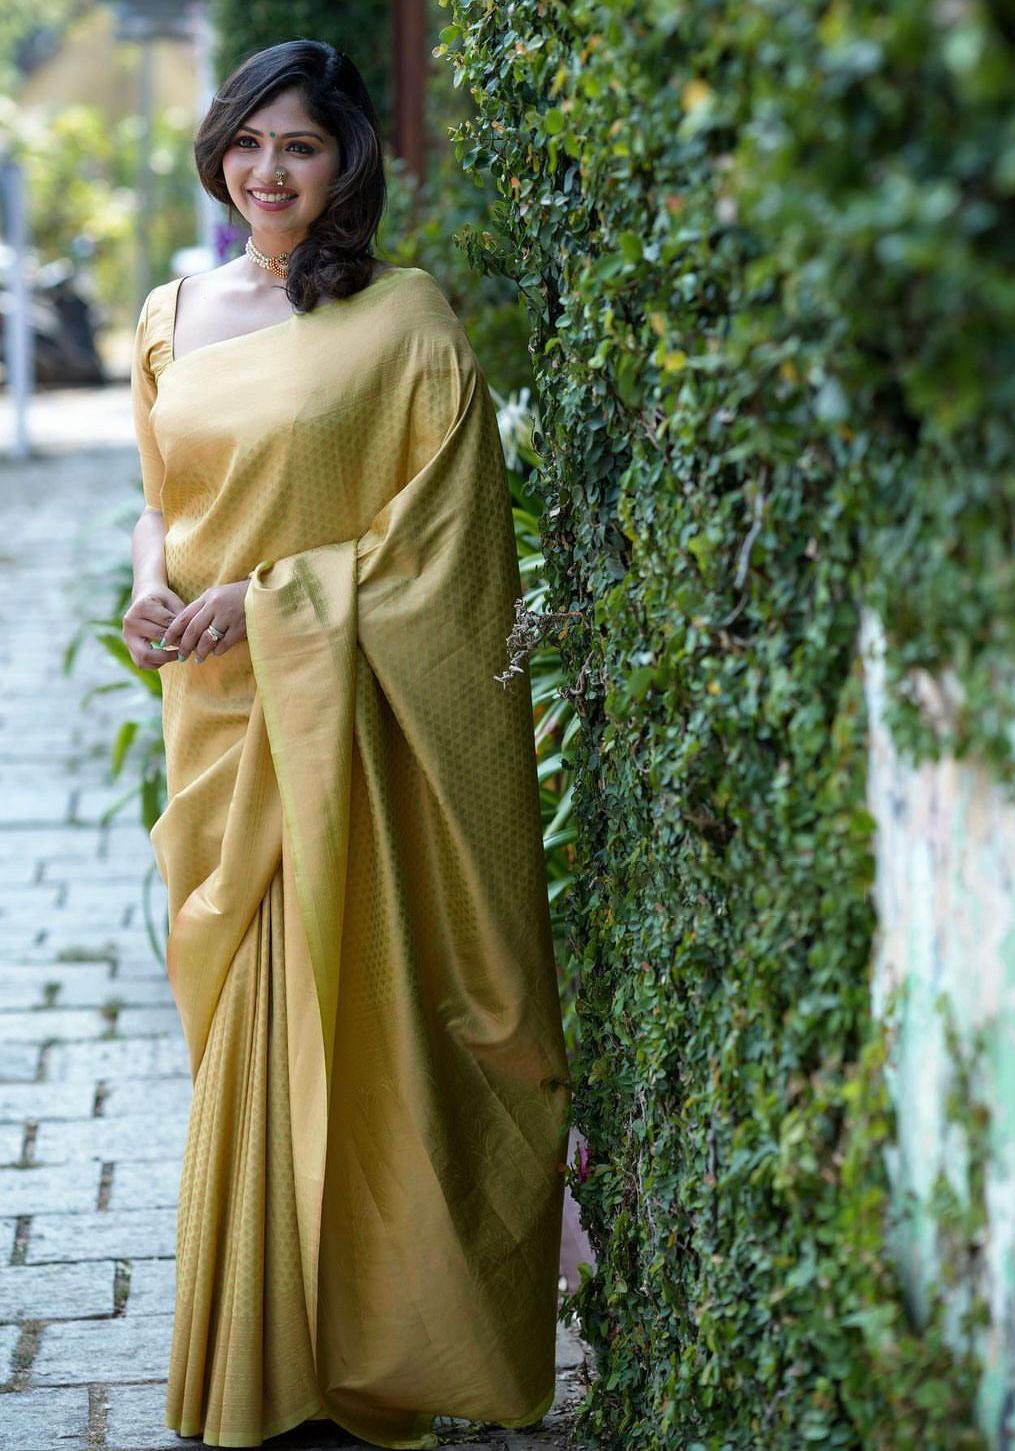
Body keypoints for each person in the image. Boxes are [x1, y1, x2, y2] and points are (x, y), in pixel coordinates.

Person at [123, 38, 572, 1451]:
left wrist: (264, 604)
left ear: (346, 163)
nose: (270, 172)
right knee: (240, 1037)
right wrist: (148, 578)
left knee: (337, 1019)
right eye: (249, 143)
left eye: (301, 148)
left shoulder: (404, 321)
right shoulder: (169, 309)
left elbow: (441, 552)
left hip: (343, 734)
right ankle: (263, 1346)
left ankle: (341, 1361)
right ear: (218, 149)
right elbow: (161, 491)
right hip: (216, 728)